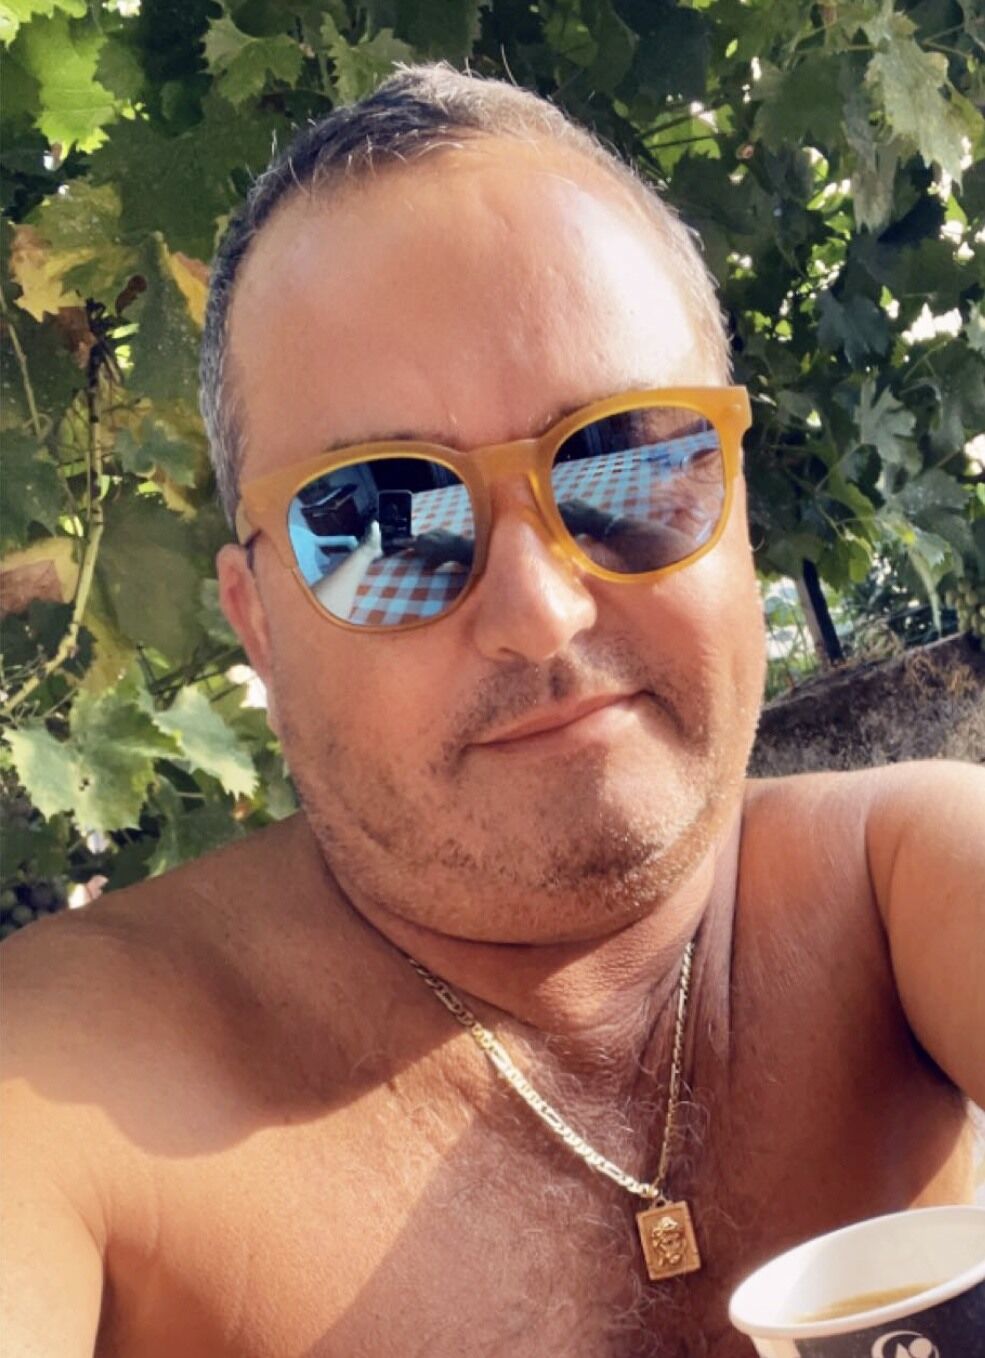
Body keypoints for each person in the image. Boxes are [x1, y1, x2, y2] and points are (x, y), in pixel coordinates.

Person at [2, 65, 982, 1358]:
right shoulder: (60, 1079)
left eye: (626, 462)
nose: (540, 609)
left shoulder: (910, 878)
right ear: (258, 622)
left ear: (738, 500)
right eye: (383, 522)